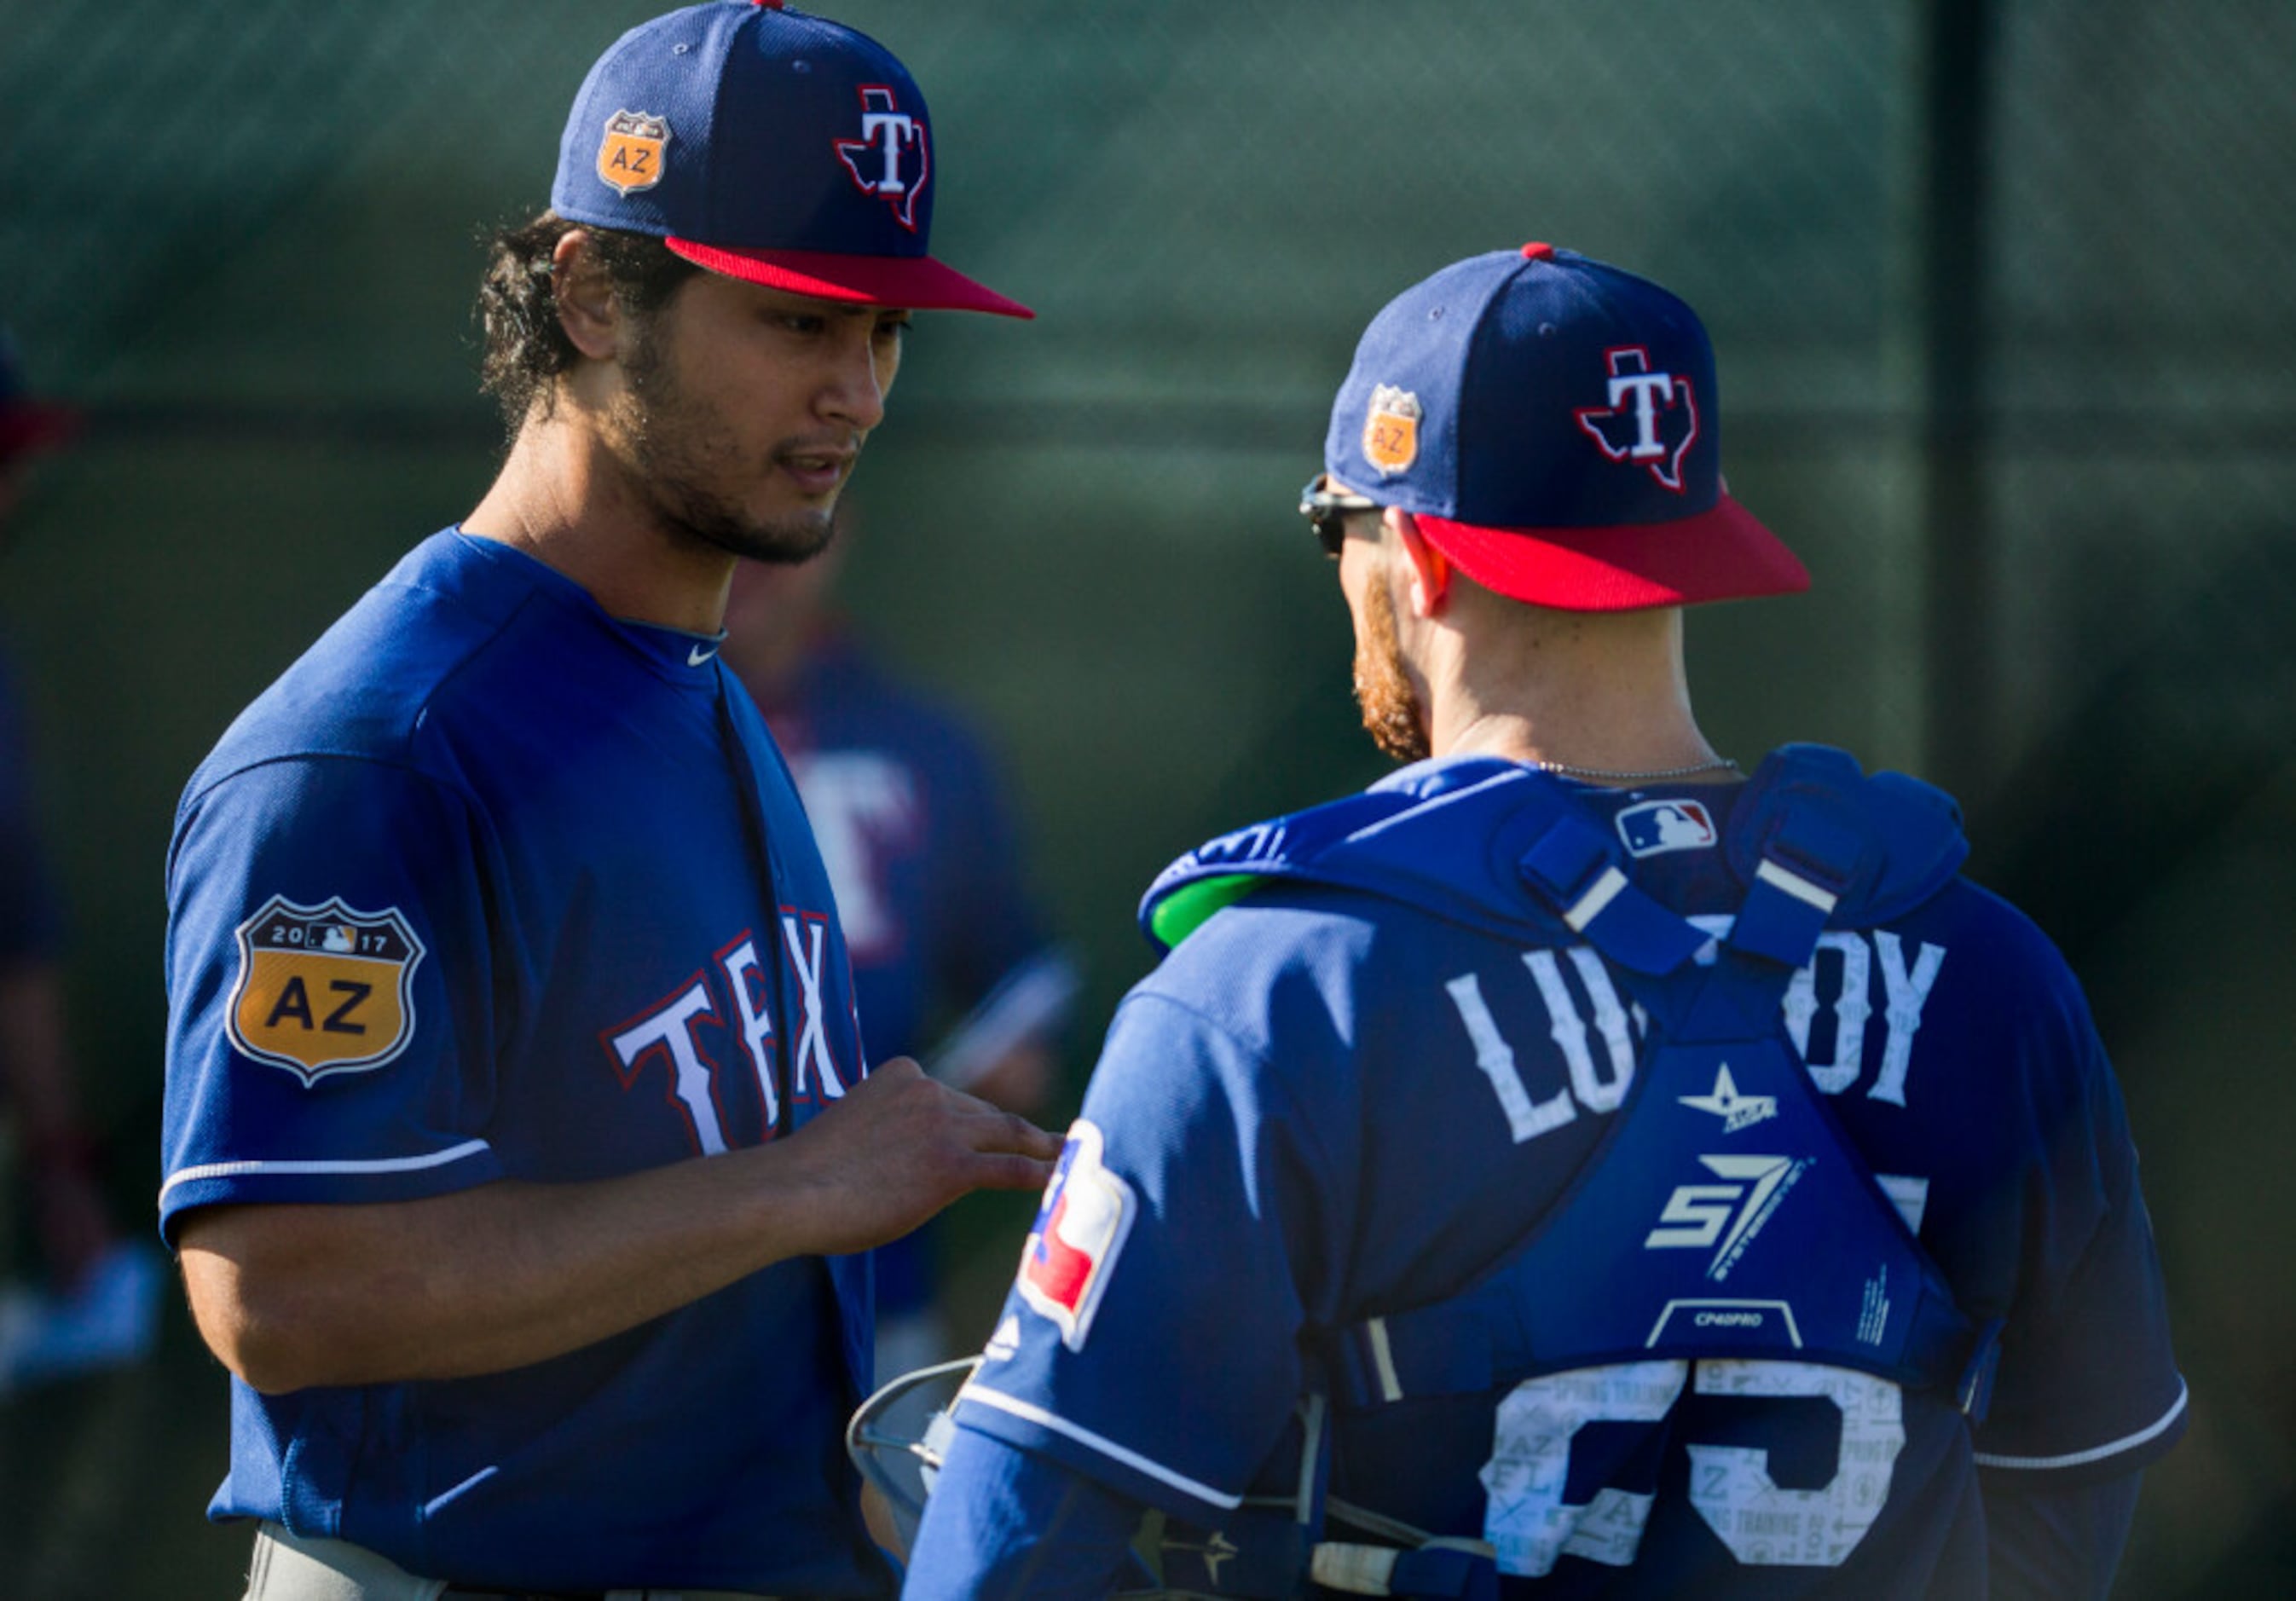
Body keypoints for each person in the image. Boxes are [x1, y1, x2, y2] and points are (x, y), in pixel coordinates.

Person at [904, 245, 2187, 1598]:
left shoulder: (1281, 992)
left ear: (1419, 551)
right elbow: (2076, 1487)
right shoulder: (1994, 974)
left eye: (1335, 524)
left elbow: (1006, 1550)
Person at [159, 3, 1059, 1597]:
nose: (856, 391)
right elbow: (280, 1290)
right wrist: (798, 1183)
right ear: (586, 294)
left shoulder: (684, 670)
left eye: (884, 332)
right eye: (796, 320)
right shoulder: (381, 748)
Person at [722, 546, 1077, 1377]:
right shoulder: (610, 741)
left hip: (874, 1284)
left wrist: (998, 1062)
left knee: (873, 1499)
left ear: (839, 527)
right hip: (651, 1284)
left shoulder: (923, 741)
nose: (757, 561)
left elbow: (1016, 977)